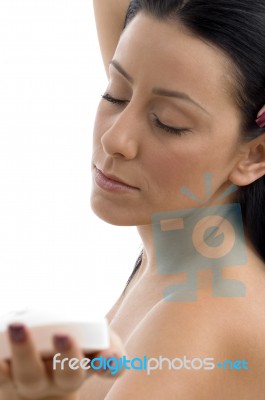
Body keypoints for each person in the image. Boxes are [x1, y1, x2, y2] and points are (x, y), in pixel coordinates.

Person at [1, 0, 265, 398]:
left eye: (167, 123)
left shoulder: (195, 322)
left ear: (255, 155)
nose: (115, 140)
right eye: (115, 94)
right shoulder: (180, 247)